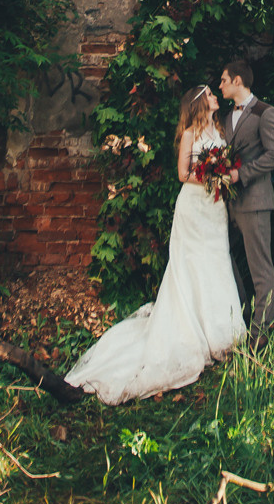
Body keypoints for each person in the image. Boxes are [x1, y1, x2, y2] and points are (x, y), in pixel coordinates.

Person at [64, 86, 245, 404]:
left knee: (216, 261)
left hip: (214, 209)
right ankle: (193, 331)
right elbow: (182, 173)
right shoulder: (190, 132)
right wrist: (211, 175)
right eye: (211, 94)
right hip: (194, 207)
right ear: (200, 102)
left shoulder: (217, 129)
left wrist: (221, 175)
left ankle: (221, 332)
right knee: (192, 265)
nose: (217, 95)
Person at [217, 60, 274, 342]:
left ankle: (260, 336)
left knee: (261, 270)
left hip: (255, 202)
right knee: (220, 255)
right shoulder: (225, 116)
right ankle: (243, 316)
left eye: (223, 80)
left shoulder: (265, 112)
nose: (219, 85)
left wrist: (239, 175)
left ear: (238, 81)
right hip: (229, 204)